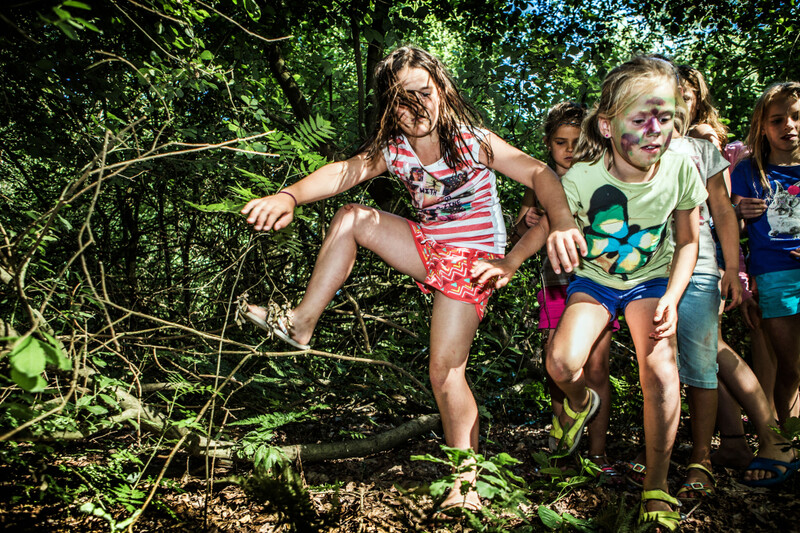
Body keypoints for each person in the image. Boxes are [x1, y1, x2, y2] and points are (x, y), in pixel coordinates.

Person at [239, 46, 586, 516]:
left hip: (474, 260)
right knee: (351, 217)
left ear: (441, 90)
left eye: (423, 93)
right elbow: (344, 173)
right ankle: (301, 323)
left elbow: (540, 172)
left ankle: (465, 483)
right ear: (388, 106)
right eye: (401, 100)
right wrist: (289, 196)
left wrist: (560, 220)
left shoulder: (473, 140)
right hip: (428, 245)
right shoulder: (395, 149)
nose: (415, 107)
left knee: (445, 372)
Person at [474, 56, 707, 531]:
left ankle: (656, 485)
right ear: (606, 125)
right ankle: (582, 403)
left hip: (651, 281)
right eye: (639, 120)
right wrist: (510, 261)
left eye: (665, 118)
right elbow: (549, 226)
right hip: (594, 281)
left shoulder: (681, 168)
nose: (654, 131)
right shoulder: (582, 177)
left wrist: (673, 295)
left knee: (661, 372)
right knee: (560, 363)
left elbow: (688, 241)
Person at [507, 102, 623, 485]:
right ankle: (563, 450)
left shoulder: (598, 176)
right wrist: (526, 222)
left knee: (597, 367)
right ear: (548, 143)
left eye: (576, 141)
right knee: (557, 368)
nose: (569, 150)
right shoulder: (538, 182)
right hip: (554, 284)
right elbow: (520, 234)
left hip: (596, 283)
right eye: (561, 142)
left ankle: (597, 454)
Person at [730, 81, 800, 484]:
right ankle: (783, 444)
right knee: (790, 366)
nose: (788, 125)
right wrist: (740, 213)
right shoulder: (748, 171)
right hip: (773, 275)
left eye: (796, 117)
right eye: (777, 120)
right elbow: (730, 228)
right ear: (763, 126)